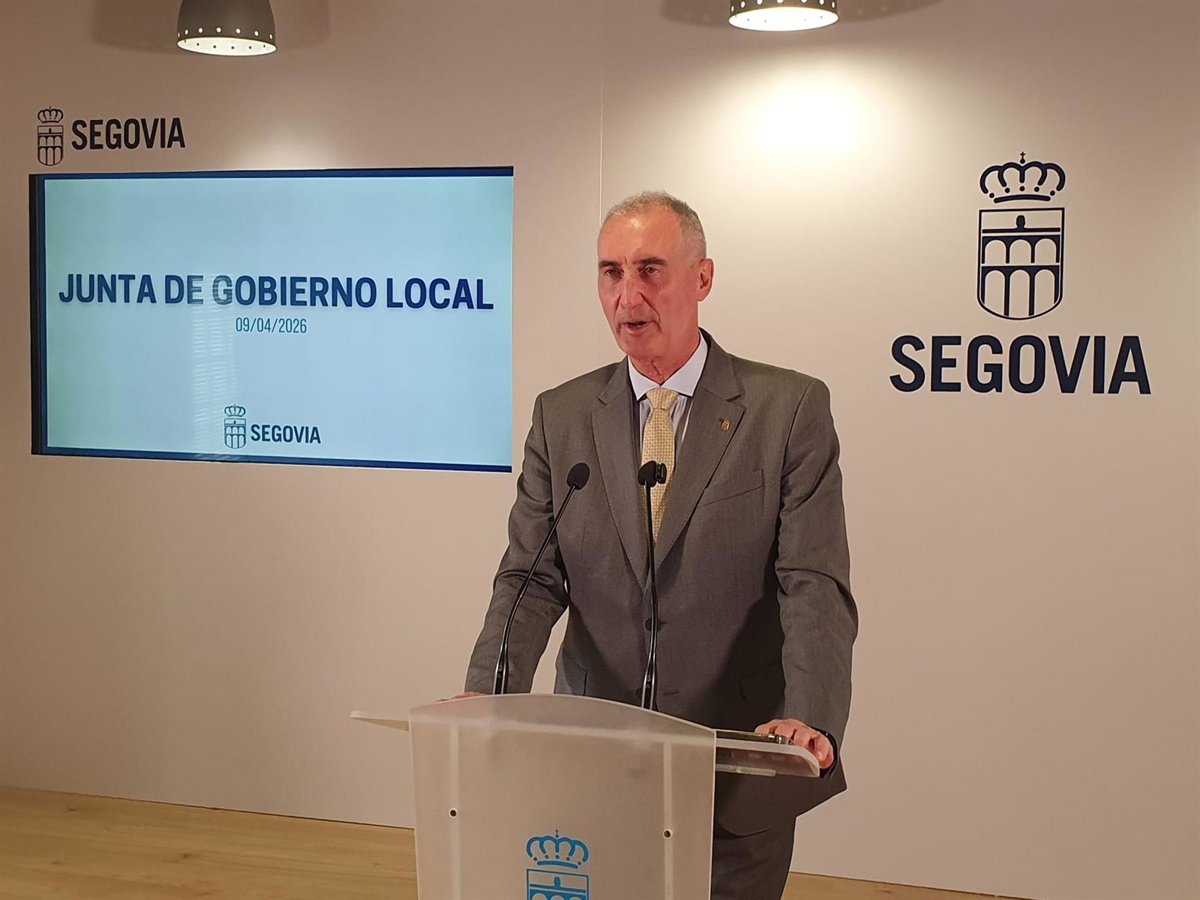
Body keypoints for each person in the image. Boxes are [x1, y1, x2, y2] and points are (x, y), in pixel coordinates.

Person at [462, 192, 857, 900]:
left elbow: (812, 580)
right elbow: (530, 577)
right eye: (611, 273)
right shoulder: (562, 414)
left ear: (702, 279)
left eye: (650, 269)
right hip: (597, 751)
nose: (627, 295)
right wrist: (489, 698)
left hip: (738, 755)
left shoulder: (788, 409)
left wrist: (811, 713)